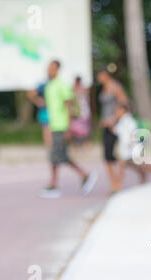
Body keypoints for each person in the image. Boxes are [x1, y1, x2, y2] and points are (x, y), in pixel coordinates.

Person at [39, 60, 97, 198]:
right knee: (56, 155)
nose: (49, 70)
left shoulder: (62, 86)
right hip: (53, 126)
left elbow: (68, 106)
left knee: (57, 156)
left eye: (52, 68)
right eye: (48, 68)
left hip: (62, 126)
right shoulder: (48, 87)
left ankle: (83, 175)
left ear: (57, 69)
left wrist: (69, 126)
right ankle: (55, 184)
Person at [97, 68, 129, 194]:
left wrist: (114, 120)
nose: (99, 78)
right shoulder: (103, 88)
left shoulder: (115, 87)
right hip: (106, 124)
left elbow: (124, 103)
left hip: (116, 125)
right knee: (107, 155)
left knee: (121, 153)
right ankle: (114, 183)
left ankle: (118, 183)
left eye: (100, 75)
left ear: (106, 75)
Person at [113, 103, 151, 184]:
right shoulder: (121, 121)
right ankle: (145, 175)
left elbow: (133, 132)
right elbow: (116, 131)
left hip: (132, 147)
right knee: (133, 165)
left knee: (138, 164)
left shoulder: (128, 120)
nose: (116, 112)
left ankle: (117, 186)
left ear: (123, 111)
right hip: (125, 149)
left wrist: (130, 142)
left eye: (118, 110)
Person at [27, 82, 51, 148]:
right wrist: (38, 102)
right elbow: (30, 94)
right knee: (47, 130)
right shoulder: (44, 85)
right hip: (45, 111)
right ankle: (49, 148)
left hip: (53, 111)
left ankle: (51, 149)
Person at [70, 76, 92, 148]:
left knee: (84, 129)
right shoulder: (74, 89)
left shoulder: (81, 89)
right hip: (77, 111)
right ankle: (77, 144)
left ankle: (85, 143)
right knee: (76, 129)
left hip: (83, 111)